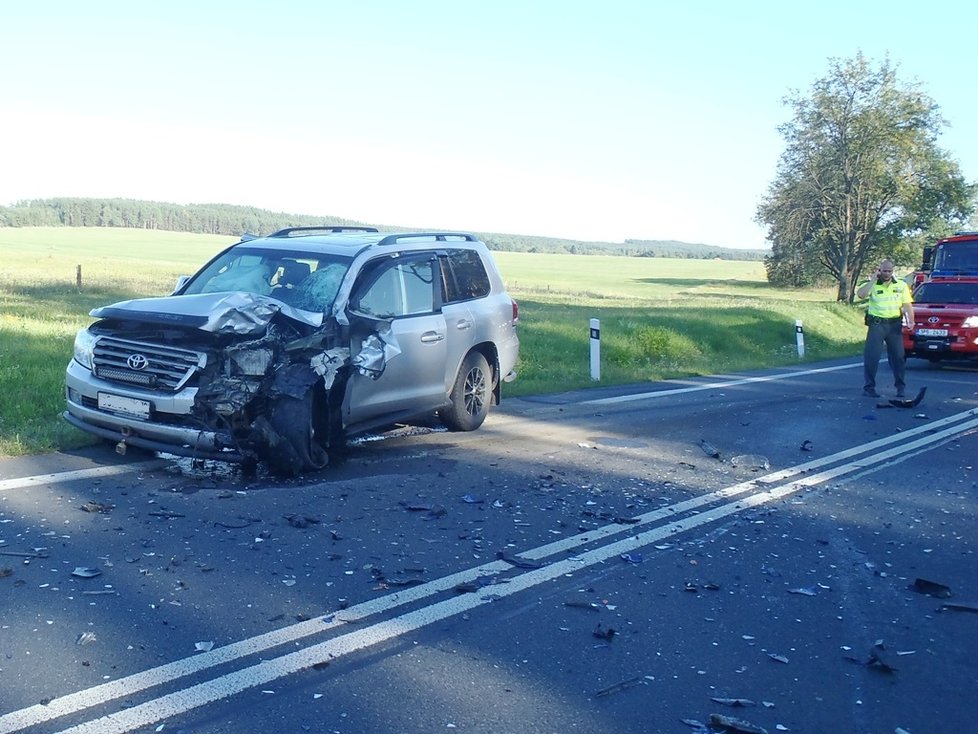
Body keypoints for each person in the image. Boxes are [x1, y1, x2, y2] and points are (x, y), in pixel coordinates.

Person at [855, 259, 914, 398]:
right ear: (879, 270)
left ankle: (900, 387)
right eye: (884, 271)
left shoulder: (901, 285)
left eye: (889, 271)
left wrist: (911, 320)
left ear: (893, 271)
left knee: (898, 357)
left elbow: (907, 304)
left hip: (894, 325)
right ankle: (869, 388)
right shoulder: (873, 284)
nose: (887, 274)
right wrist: (872, 281)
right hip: (877, 324)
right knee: (872, 356)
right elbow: (861, 294)